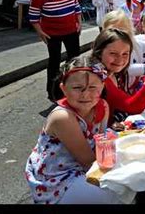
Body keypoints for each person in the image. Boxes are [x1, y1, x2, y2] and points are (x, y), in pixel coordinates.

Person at [25, 55, 126, 204]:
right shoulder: (63, 118)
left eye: (92, 87)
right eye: (77, 88)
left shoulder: (103, 106)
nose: (85, 94)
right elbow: (88, 161)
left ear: (103, 86)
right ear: (63, 89)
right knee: (116, 191)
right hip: (57, 179)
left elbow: (102, 143)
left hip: (85, 166)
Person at [91, 28, 145, 124]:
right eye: (113, 53)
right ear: (99, 52)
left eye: (125, 54)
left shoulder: (115, 72)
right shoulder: (99, 77)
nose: (120, 59)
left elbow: (137, 81)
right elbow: (134, 106)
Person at [28, 0, 82, 101]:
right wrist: (40, 32)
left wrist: (79, 23)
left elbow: (76, 7)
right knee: (54, 61)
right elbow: (33, 15)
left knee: (74, 59)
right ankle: (53, 92)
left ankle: (73, 86)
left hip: (71, 30)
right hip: (52, 33)